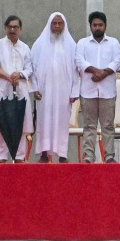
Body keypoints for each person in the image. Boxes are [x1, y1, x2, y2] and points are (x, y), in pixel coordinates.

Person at [30, 12, 80, 163]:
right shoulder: (39, 44)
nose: (57, 26)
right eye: (54, 23)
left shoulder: (72, 45)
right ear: (49, 25)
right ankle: (44, 154)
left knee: (62, 122)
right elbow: (31, 68)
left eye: (60, 23)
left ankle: (62, 154)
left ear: (64, 25)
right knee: (44, 121)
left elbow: (77, 71)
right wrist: (34, 88)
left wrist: (74, 91)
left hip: (63, 92)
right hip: (44, 92)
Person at [76, 11, 120, 163]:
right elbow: (79, 61)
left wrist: (103, 74)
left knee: (108, 126)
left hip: (107, 92)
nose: (97, 28)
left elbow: (117, 61)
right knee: (89, 126)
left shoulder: (114, 43)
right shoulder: (82, 43)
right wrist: (96, 71)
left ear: (105, 26)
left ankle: (109, 156)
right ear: (90, 26)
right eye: (94, 25)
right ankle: (89, 156)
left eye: (100, 25)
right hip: (88, 91)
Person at [0, 15, 34, 163]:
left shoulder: (25, 48)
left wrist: (19, 74)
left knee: (19, 122)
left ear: (20, 29)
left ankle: (19, 157)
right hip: (2, 89)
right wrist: (9, 77)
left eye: (15, 27)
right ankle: (0, 158)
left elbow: (29, 69)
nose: (12, 30)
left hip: (20, 90)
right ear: (5, 28)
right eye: (10, 27)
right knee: (1, 122)